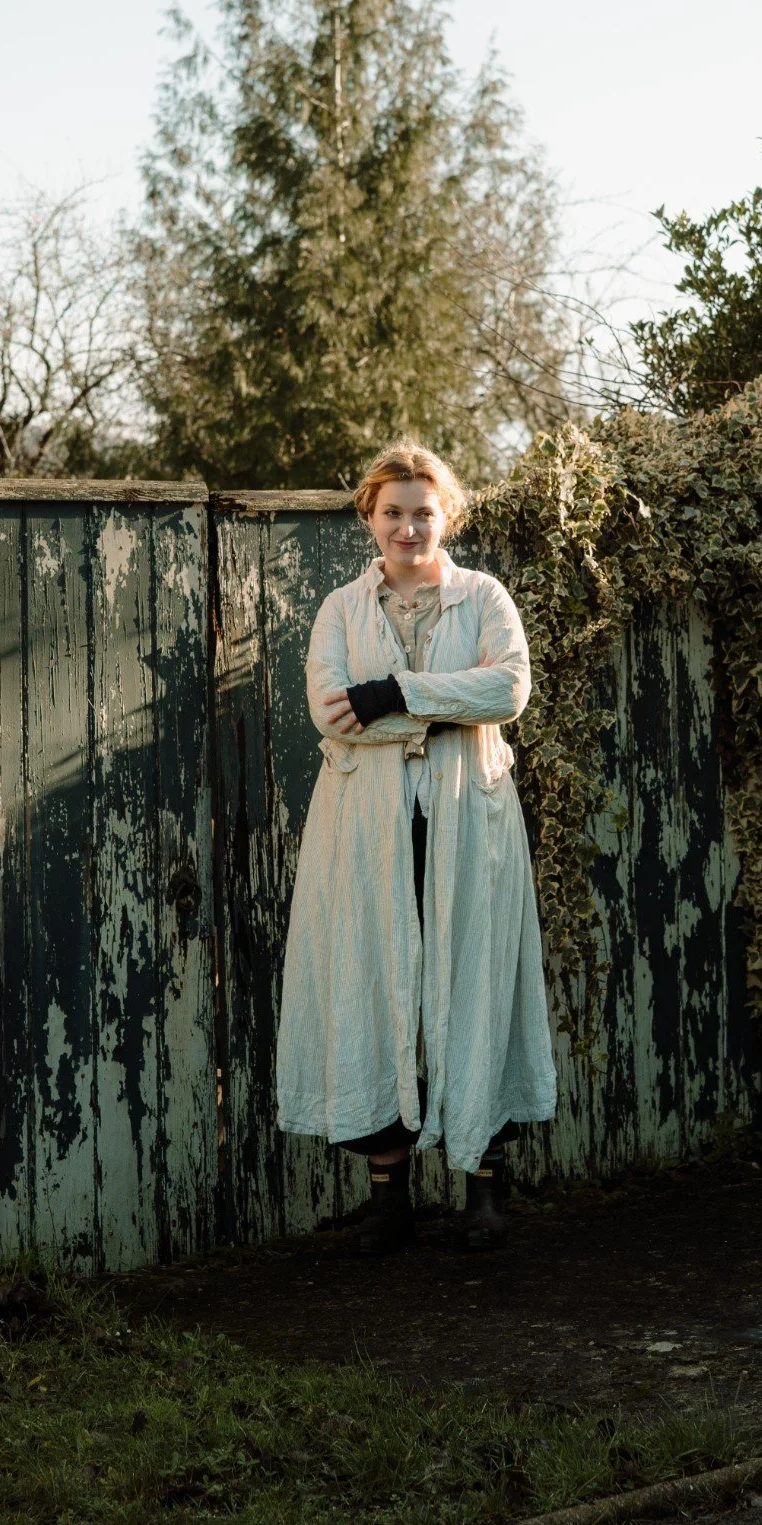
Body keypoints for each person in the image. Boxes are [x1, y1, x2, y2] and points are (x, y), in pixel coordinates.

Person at [275, 440, 557, 1254]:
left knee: (473, 980)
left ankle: (484, 1189)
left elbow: (507, 689)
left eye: (421, 513)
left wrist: (394, 693)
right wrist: (444, 705)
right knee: (374, 979)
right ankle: (387, 1198)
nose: (407, 527)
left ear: (448, 517)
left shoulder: (483, 597)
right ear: (369, 516)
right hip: (366, 827)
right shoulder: (341, 610)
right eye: (391, 512)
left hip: (468, 817)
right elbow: (331, 713)